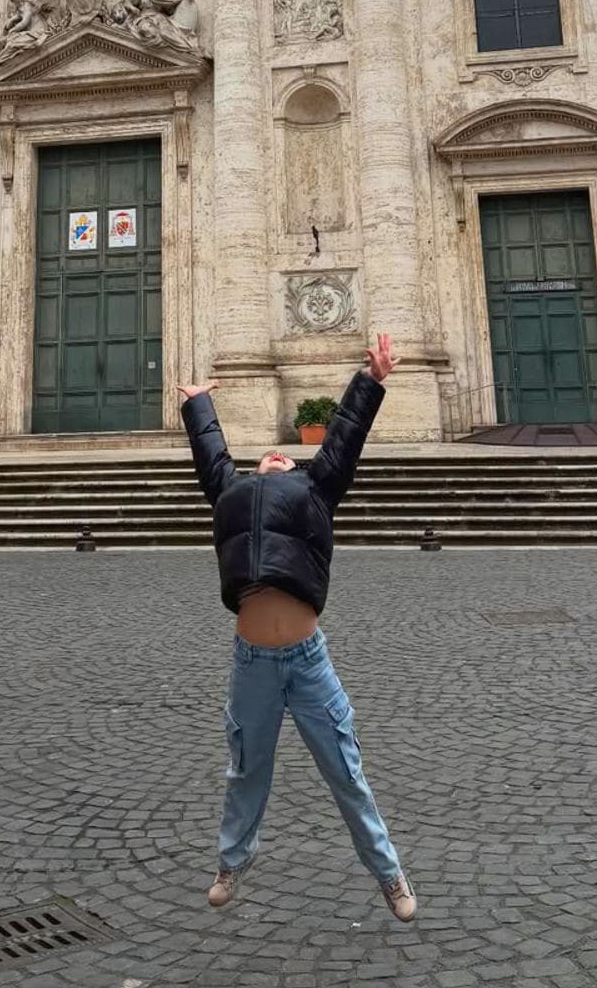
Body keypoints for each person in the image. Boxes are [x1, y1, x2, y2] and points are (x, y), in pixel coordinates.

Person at [179, 333, 415, 921]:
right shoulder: (231, 493)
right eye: (270, 456)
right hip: (253, 663)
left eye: (287, 457)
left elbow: (343, 440)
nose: (278, 456)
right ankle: (231, 863)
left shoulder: (315, 490)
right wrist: (198, 403)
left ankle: (389, 874)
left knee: (345, 770)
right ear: (255, 468)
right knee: (246, 770)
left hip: (308, 659)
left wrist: (372, 381)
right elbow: (212, 456)